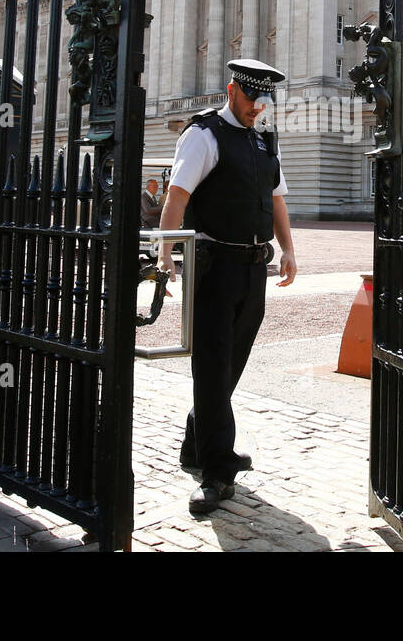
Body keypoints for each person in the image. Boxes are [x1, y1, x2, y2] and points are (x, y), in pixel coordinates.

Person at [156, 58, 298, 514]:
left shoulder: (261, 142)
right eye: (253, 99)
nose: (259, 108)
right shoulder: (203, 135)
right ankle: (218, 472)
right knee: (213, 366)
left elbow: (276, 198)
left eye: (264, 101)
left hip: (255, 269)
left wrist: (289, 249)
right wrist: (165, 253)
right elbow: (177, 195)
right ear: (233, 90)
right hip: (215, 267)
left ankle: (196, 442)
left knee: (231, 363)